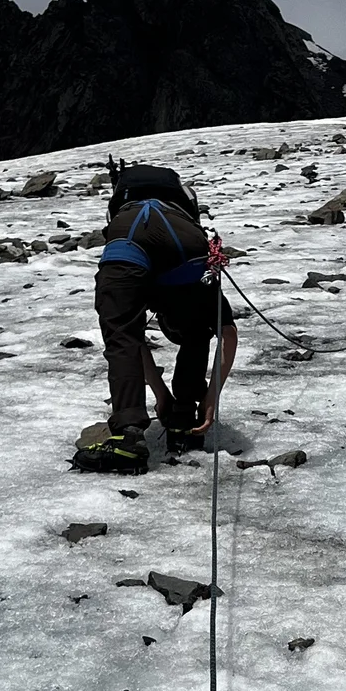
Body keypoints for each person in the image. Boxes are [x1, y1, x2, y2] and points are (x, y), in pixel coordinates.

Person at [74, 161, 238, 474]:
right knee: (197, 329)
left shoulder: (123, 202)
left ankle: (129, 437)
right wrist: (210, 399)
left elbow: (130, 338)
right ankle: (185, 416)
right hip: (187, 245)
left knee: (120, 333)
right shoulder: (187, 213)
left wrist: (159, 394)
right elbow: (227, 333)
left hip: (127, 239)